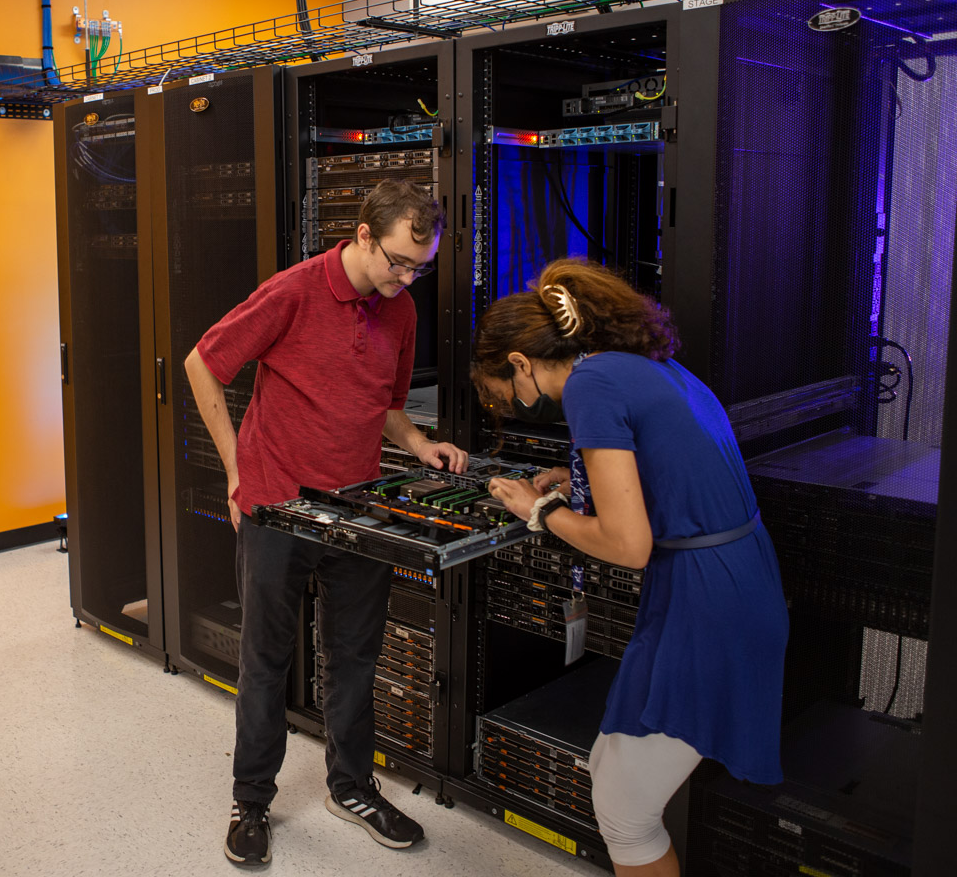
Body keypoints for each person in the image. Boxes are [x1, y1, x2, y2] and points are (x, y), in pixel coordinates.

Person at [184, 179, 469, 867]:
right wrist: (235, 470)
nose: (407, 280)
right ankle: (250, 800)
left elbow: (386, 406)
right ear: (364, 235)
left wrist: (420, 445)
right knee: (265, 660)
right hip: (278, 505)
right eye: (398, 262)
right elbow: (203, 363)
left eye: (420, 268)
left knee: (354, 657)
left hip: (357, 509)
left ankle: (351, 786)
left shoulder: (399, 311)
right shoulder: (295, 290)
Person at [471, 258, 788, 877]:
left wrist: (538, 510)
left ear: (519, 362)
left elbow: (627, 543)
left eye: (501, 394)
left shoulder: (590, 386)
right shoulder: (638, 365)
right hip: (733, 579)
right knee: (613, 772)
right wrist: (577, 476)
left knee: (624, 810)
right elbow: (673, 462)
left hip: (708, 601)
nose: (510, 406)